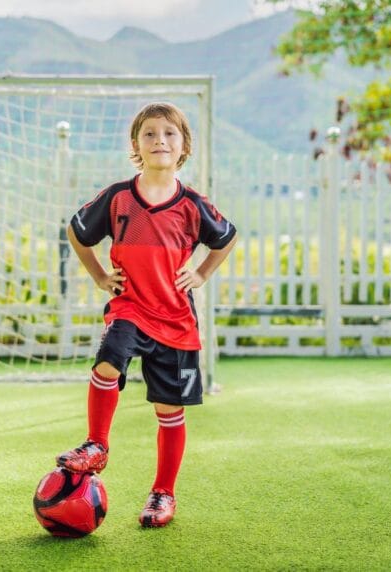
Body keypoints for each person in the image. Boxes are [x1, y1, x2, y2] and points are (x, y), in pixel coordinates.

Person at [56, 102, 237, 528]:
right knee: (106, 360)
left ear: (183, 145)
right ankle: (96, 444)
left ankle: (162, 494)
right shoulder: (119, 197)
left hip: (175, 320)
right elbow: (76, 231)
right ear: (136, 144)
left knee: (169, 412)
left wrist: (202, 272)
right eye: (150, 134)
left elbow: (226, 238)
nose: (160, 141)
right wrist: (101, 275)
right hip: (130, 307)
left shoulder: (193, 205)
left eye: (169, 134)